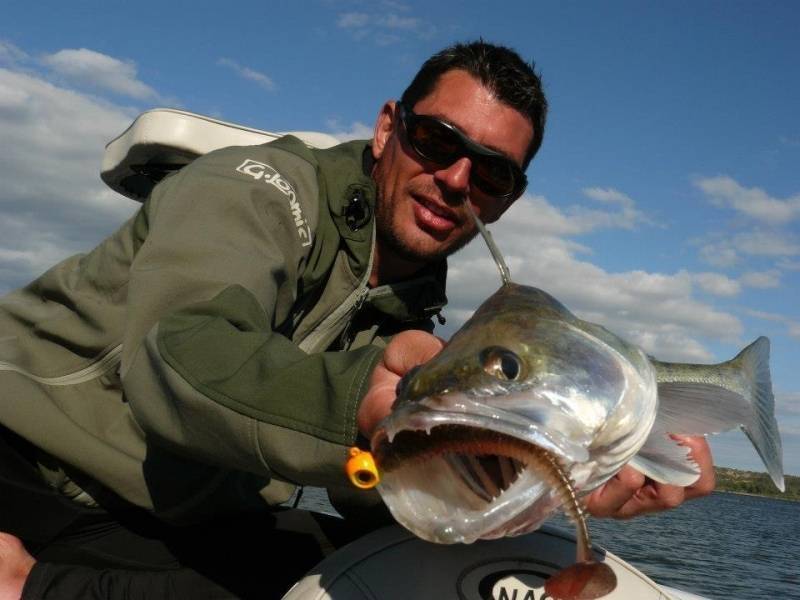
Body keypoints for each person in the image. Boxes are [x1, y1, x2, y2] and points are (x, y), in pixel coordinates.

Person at [0, 40, 715, 599]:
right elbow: (179, 355)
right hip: (28, 463)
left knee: (389, 571)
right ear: (386, 129)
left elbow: (370, 494)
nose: (458, 179)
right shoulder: (254, 191)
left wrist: (545, 487)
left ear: (507, 199)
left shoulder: (412, 309)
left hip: (171, 514)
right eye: (439, 141)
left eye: (492, 173)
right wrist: (365, 405)